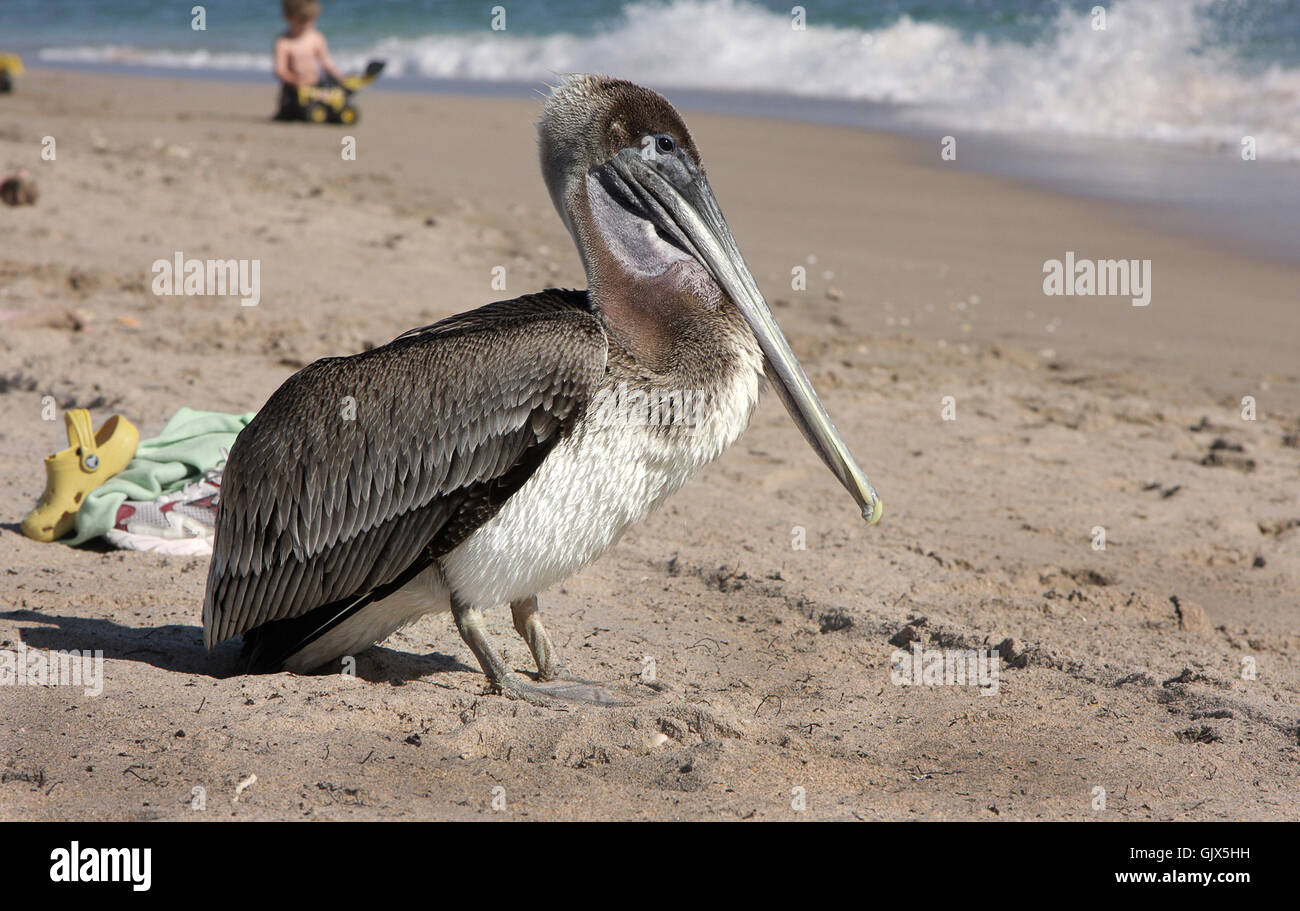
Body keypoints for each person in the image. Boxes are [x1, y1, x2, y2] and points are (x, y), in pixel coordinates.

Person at [273, 0, 345, 120]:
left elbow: (326, 64)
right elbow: (280, 70)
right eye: (302, 21)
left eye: (311, 20)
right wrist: (295, 80)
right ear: (288, 18)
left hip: (316, 86)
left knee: (332, 106)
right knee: (294, 113)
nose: (307, 24)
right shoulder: (284, 42)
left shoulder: (316, 38)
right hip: (294, 89)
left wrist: (341, 78)